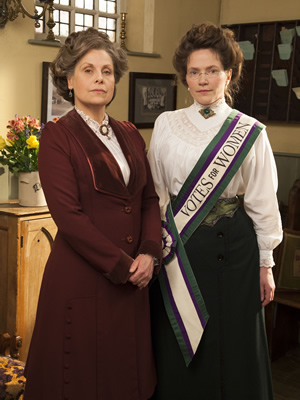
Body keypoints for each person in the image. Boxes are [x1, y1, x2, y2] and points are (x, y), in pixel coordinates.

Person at [23, 28, 162, 400]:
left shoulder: (130, 133)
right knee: (82, 383)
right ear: (69, 79)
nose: (99, 79)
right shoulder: (57, 136)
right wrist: (123, 266)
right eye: (88, 70)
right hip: (84, 278)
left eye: (107, 71)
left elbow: (148, 199)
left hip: (135, 277)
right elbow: (68, 217)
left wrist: (149, 252)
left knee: (125, 381)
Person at [147, 22, 283, 400]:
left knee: (235, 347)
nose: (202, 80)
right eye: (194, 72)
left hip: (235, 253)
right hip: (180, 251)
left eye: (211, 70)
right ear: (185, 77)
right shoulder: (167, 124)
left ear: (229, 74)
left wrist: (266, 263)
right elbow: (156, 193)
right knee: (180, 344)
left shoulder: (250, 130)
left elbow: (262, 202)